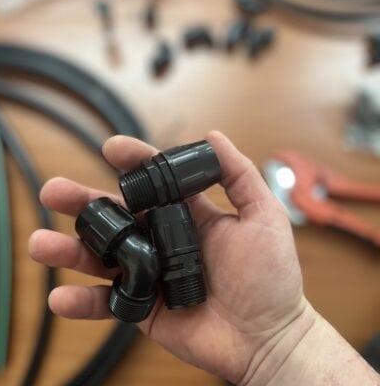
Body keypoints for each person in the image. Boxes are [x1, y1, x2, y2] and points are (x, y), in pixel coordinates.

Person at [28, 131, 379, 385]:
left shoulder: (153, 239)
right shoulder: (149, 238)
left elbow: (145, 259)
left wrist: (280, 344)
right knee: (141, 256)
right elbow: (143, 259)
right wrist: (281, 348)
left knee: (142, 257)